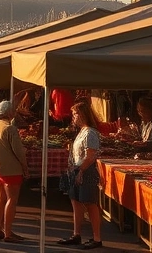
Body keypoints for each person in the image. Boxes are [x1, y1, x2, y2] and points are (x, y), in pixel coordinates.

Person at [58, 101, 102, 249]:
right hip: (77, 169)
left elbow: (90, 156)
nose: (73, 117)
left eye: (75, 114)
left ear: (82, 114)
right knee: (75, 202)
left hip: (86, 170)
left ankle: (97, 238)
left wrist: (81, 171)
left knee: (90, 203)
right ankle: (76, 234)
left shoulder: (90, 133)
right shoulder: (82, 131)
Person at [0, 100, 29, 244]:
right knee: (12, 199)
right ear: (10, 113)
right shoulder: (10, 128)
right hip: (11, 169)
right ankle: (8, 233)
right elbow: (19, 152)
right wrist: (25, 167)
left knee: (0, 197)